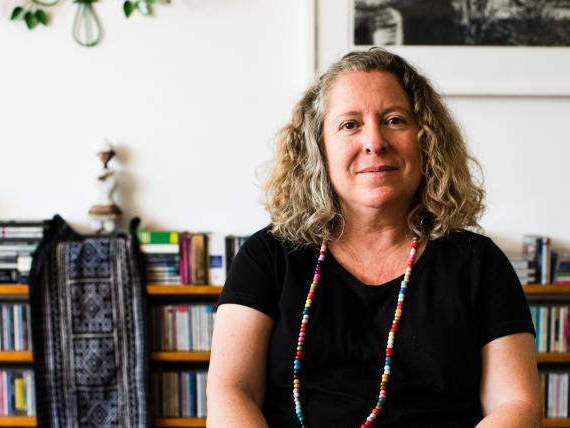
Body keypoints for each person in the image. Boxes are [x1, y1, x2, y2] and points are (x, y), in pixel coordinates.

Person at [207, 48, 541, 427]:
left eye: (395, 120)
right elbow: (231, 392)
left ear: (426, 140)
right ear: (320, 147)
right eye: (350, 124)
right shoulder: (266, 256)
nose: (375, 142)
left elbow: (516, 403)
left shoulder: (479, 263)